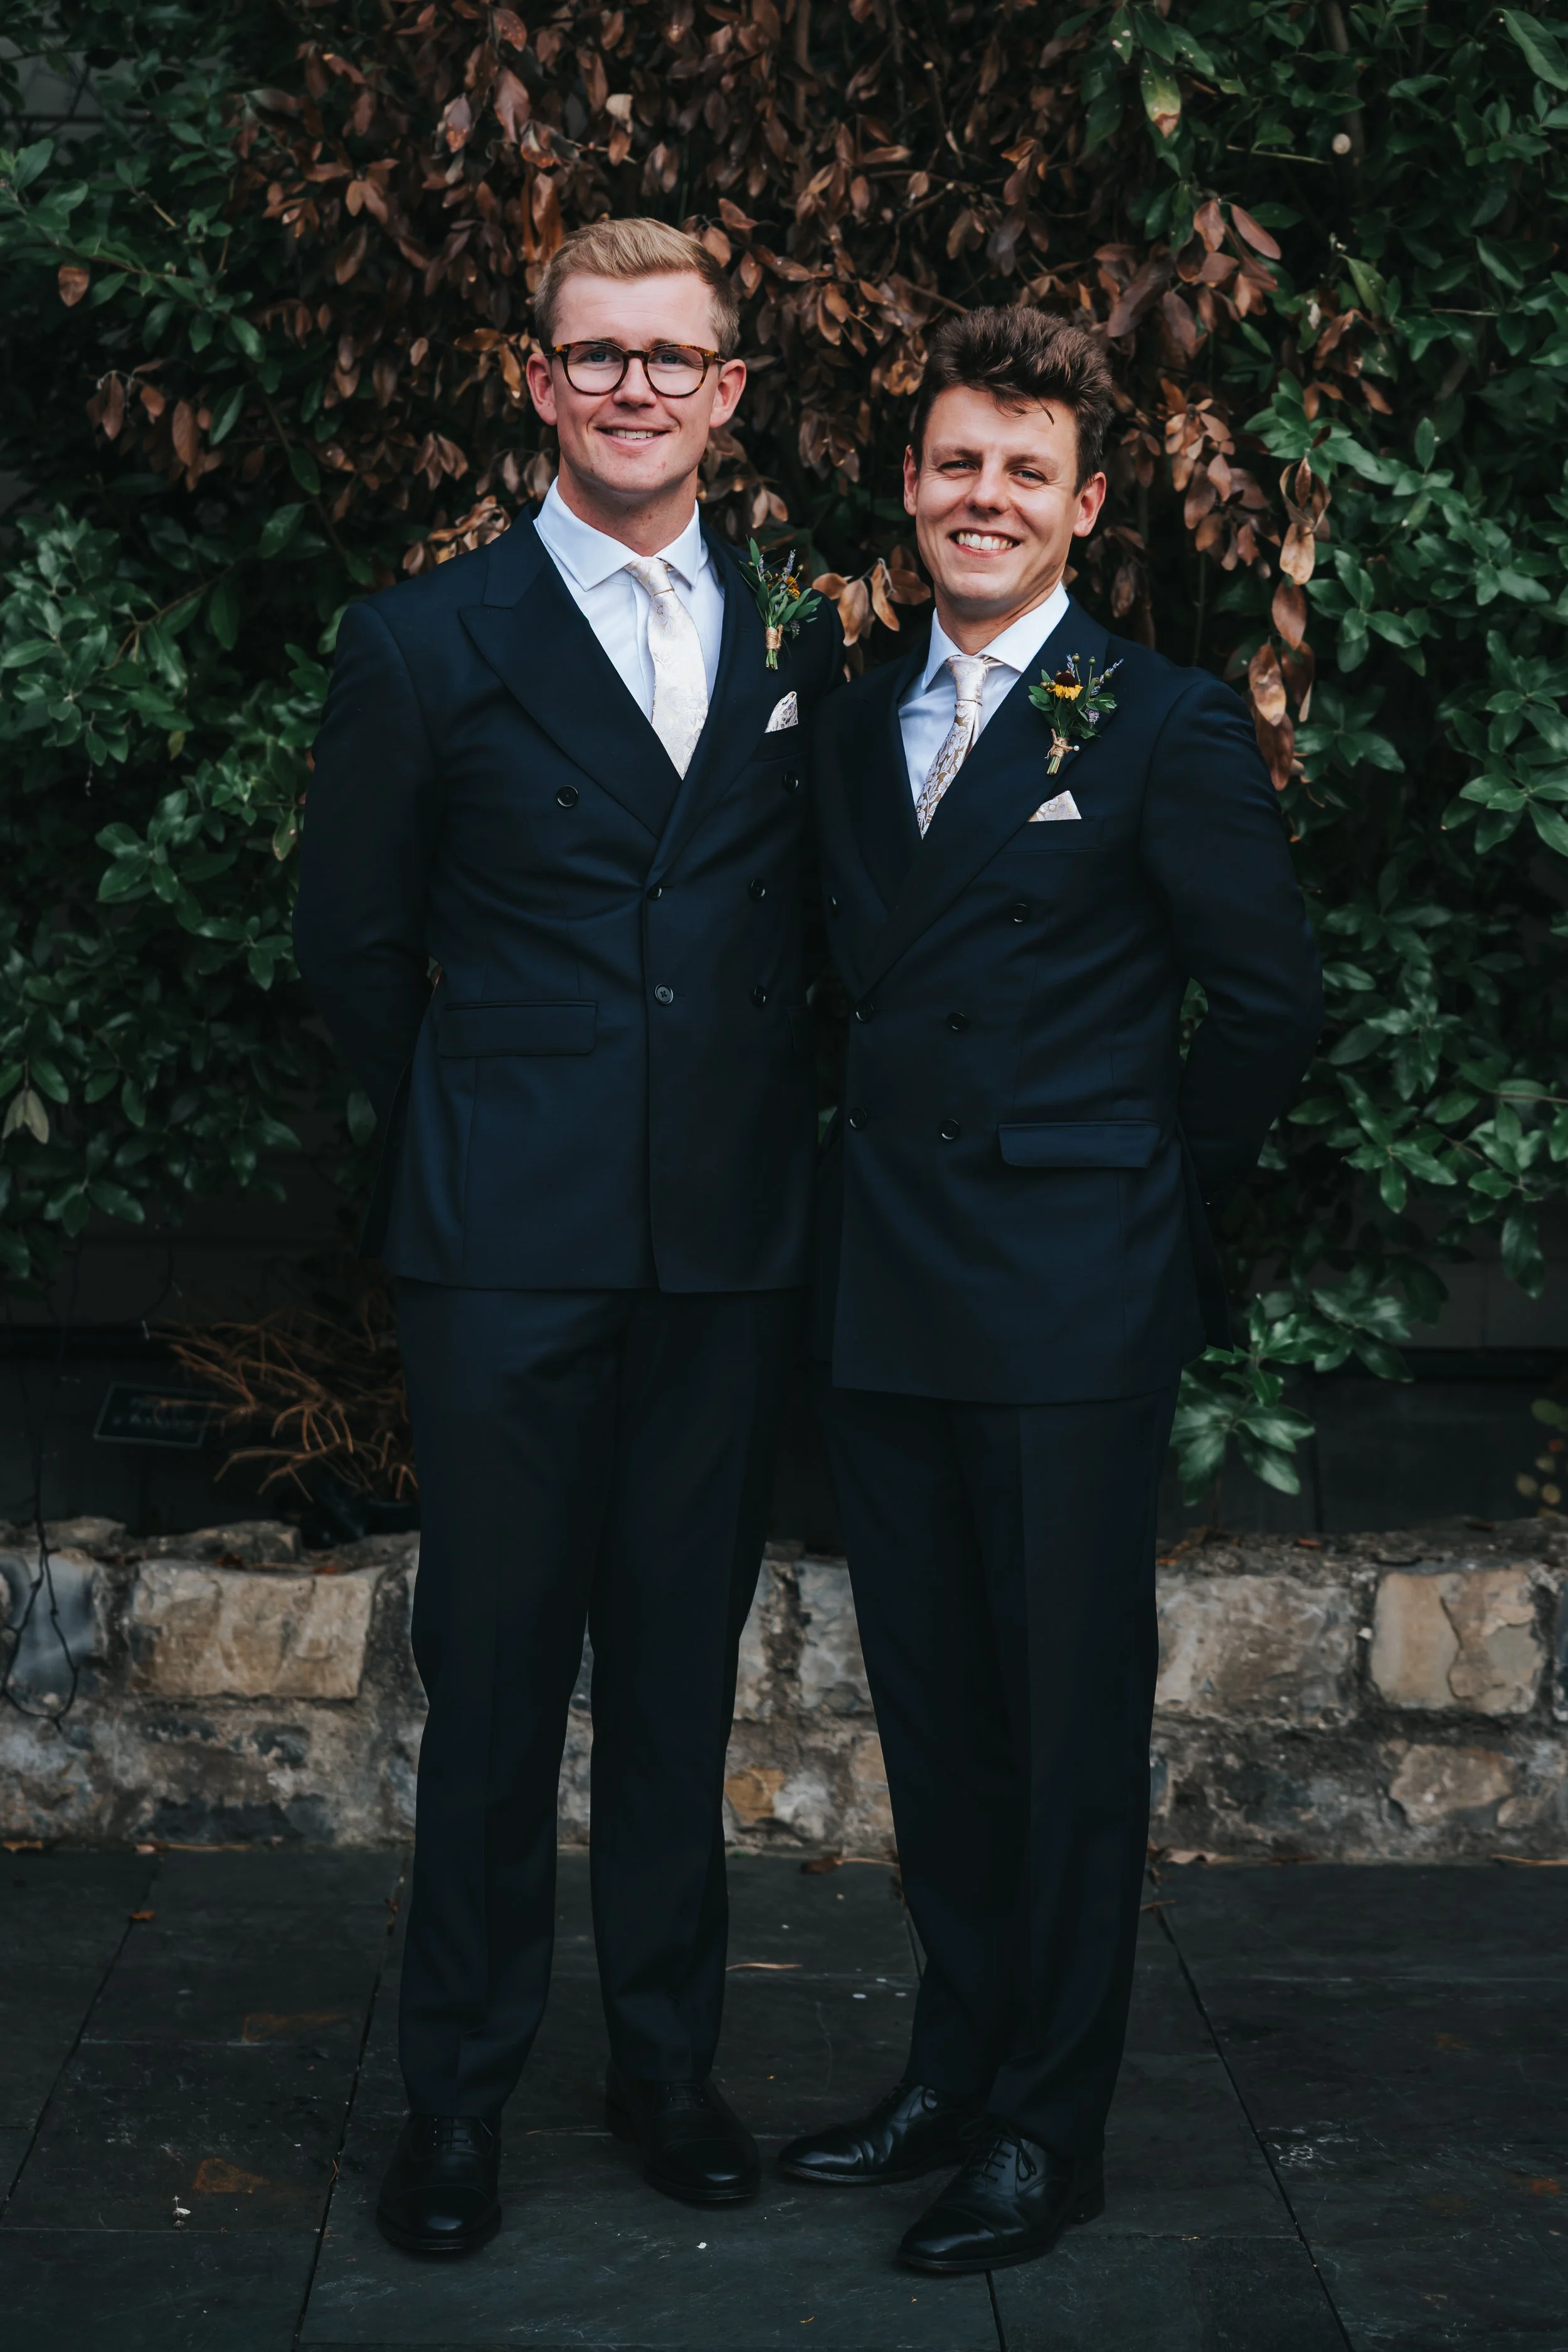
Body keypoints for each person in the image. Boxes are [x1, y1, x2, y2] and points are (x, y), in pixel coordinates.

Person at [294, 217, 840, 2259]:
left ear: (725, 391)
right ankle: (457, 2093)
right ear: (538, 383)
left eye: (669, 356)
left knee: (683, 1684)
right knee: (501, 1681)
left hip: (721, 1247)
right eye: (592, 354)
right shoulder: (421, 641)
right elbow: (351, 943)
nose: (631, 386)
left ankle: (669, 2063)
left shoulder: (800, 644)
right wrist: (479, 1121)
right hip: (502, 1251)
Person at [778, 309, 1322, 2274]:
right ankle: (953, 2060)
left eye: (1023, 470)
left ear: (1084, 504)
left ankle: (1043, 2129)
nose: (980, 497)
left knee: (1066, 1724)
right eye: (951, 464)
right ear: (908, 490)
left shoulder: (1157, 722)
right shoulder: (844, 720)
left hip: (1070, 1293)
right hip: (890, 1296)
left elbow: (1266, 1000)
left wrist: (1150, 1195)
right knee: (934, 1717)